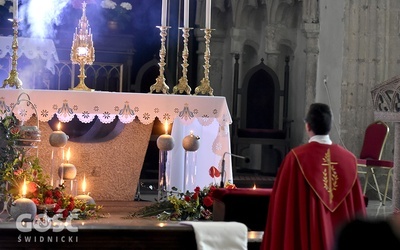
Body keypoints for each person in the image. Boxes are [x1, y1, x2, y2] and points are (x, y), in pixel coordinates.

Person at [260, 103, 367, 250]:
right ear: (330, 126)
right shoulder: (349, 160)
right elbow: (357, 210)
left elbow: (282, 207)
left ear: (308, 126)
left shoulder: (295, 158)